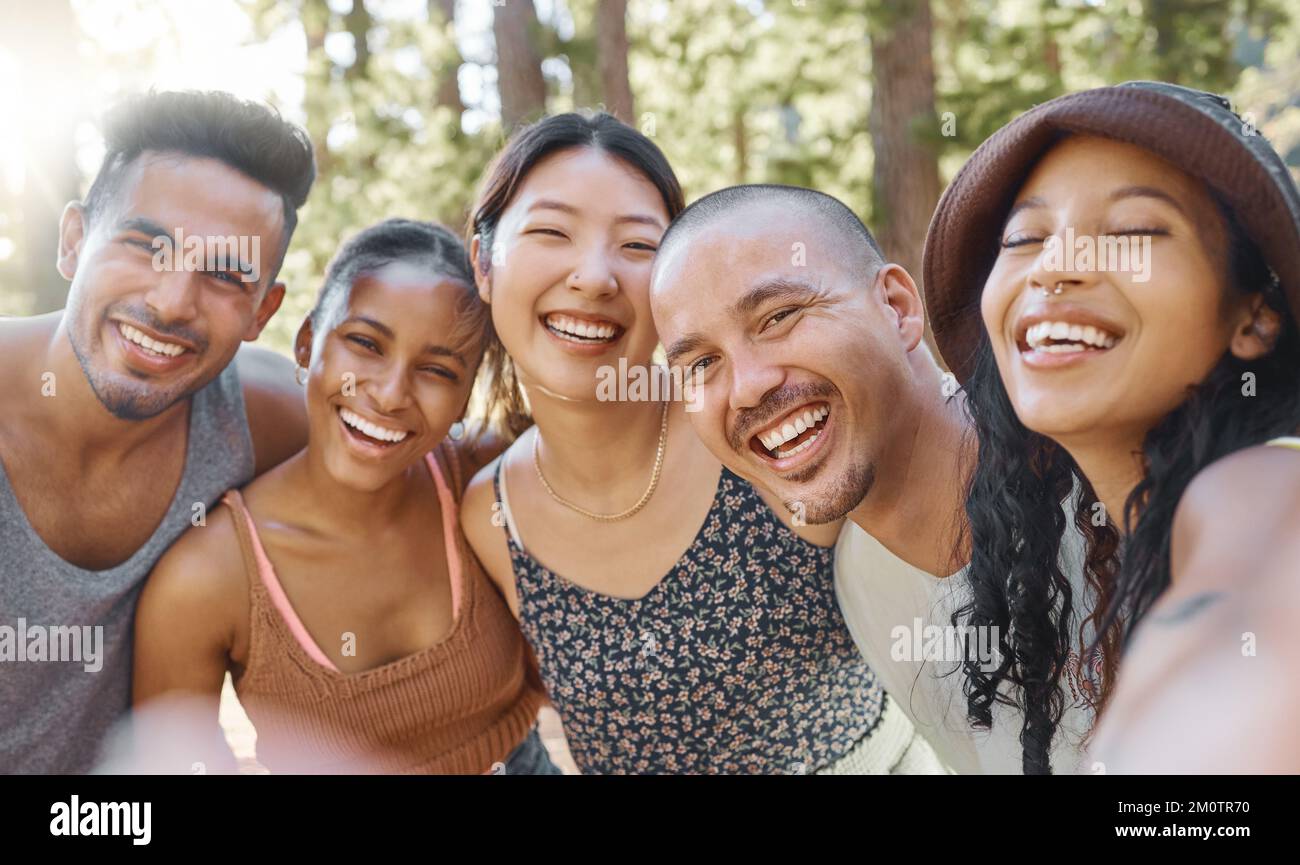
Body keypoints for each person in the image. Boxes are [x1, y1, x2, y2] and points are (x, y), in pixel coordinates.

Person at [460, 112, 938, 774]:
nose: (594, 276)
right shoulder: (490, 514)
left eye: (635, 246)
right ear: (484, 263)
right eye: (550, 231)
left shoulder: (754, 426)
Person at [921, 80, 1300, 773]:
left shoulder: (1263, 484)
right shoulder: (1137, 549)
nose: (1055, 266)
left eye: (1133, 232)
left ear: (1254, 315)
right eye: (1024, 237)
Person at [131, 219, 556, 774]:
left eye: (437, 370)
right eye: (365, 343)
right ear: (307, 344)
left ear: (464, 396)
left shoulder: (485, 476)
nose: (389, 393)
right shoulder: (207, 577)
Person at [648, 184, 1032, 774]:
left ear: (897, 307)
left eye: (778, 317)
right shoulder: (857, 579)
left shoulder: (1091, 477)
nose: (747, 386)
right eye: (702, 364)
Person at [0, 90, 314, 773]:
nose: (172, 302)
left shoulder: (266, 417)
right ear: (74, 240)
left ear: (264, 310)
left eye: (226, 275)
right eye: (147, 245)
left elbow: (450, 459)